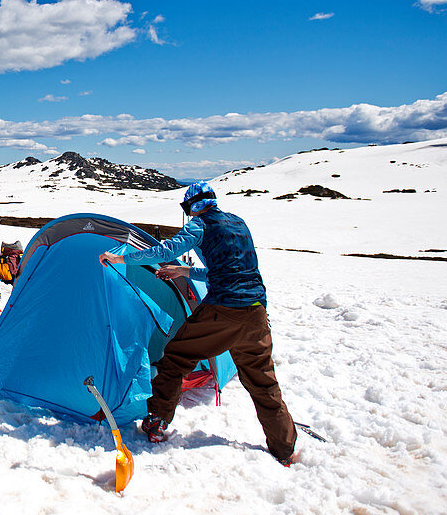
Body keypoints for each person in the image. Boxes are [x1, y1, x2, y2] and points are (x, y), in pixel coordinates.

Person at [98, 182, 298, 466]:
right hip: (255, 313)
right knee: (263, 382)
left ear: (191, 207)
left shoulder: (199, 225)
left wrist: (121, 257)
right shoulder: (239, 223)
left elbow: (163, 251)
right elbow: (228, 271)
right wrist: (184, 271)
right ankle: (284, 448)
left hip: (224, 311)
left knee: (176, 356)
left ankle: (157, 421)